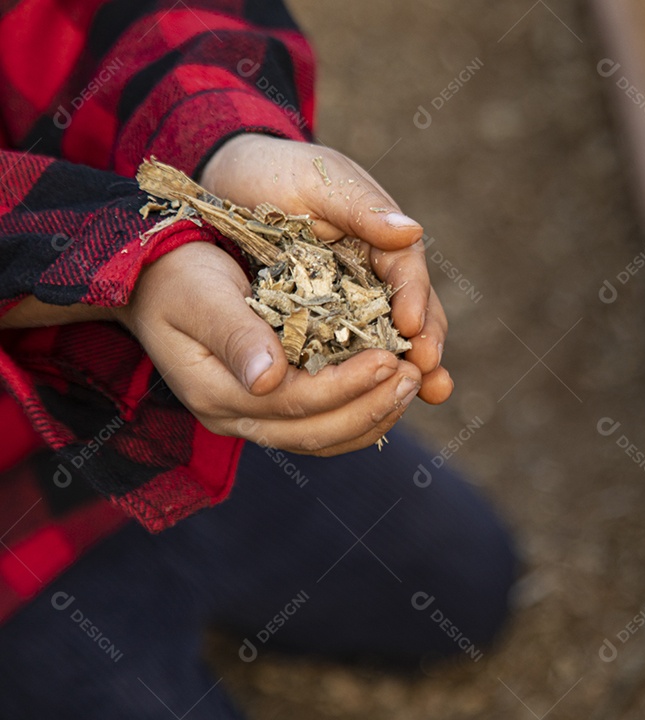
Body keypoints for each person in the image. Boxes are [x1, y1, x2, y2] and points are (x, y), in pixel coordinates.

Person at [0, 1, 516, 716]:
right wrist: (124, 264)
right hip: (15, 520)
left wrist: (225, 146)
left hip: (141, 377)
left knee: (465, 582)